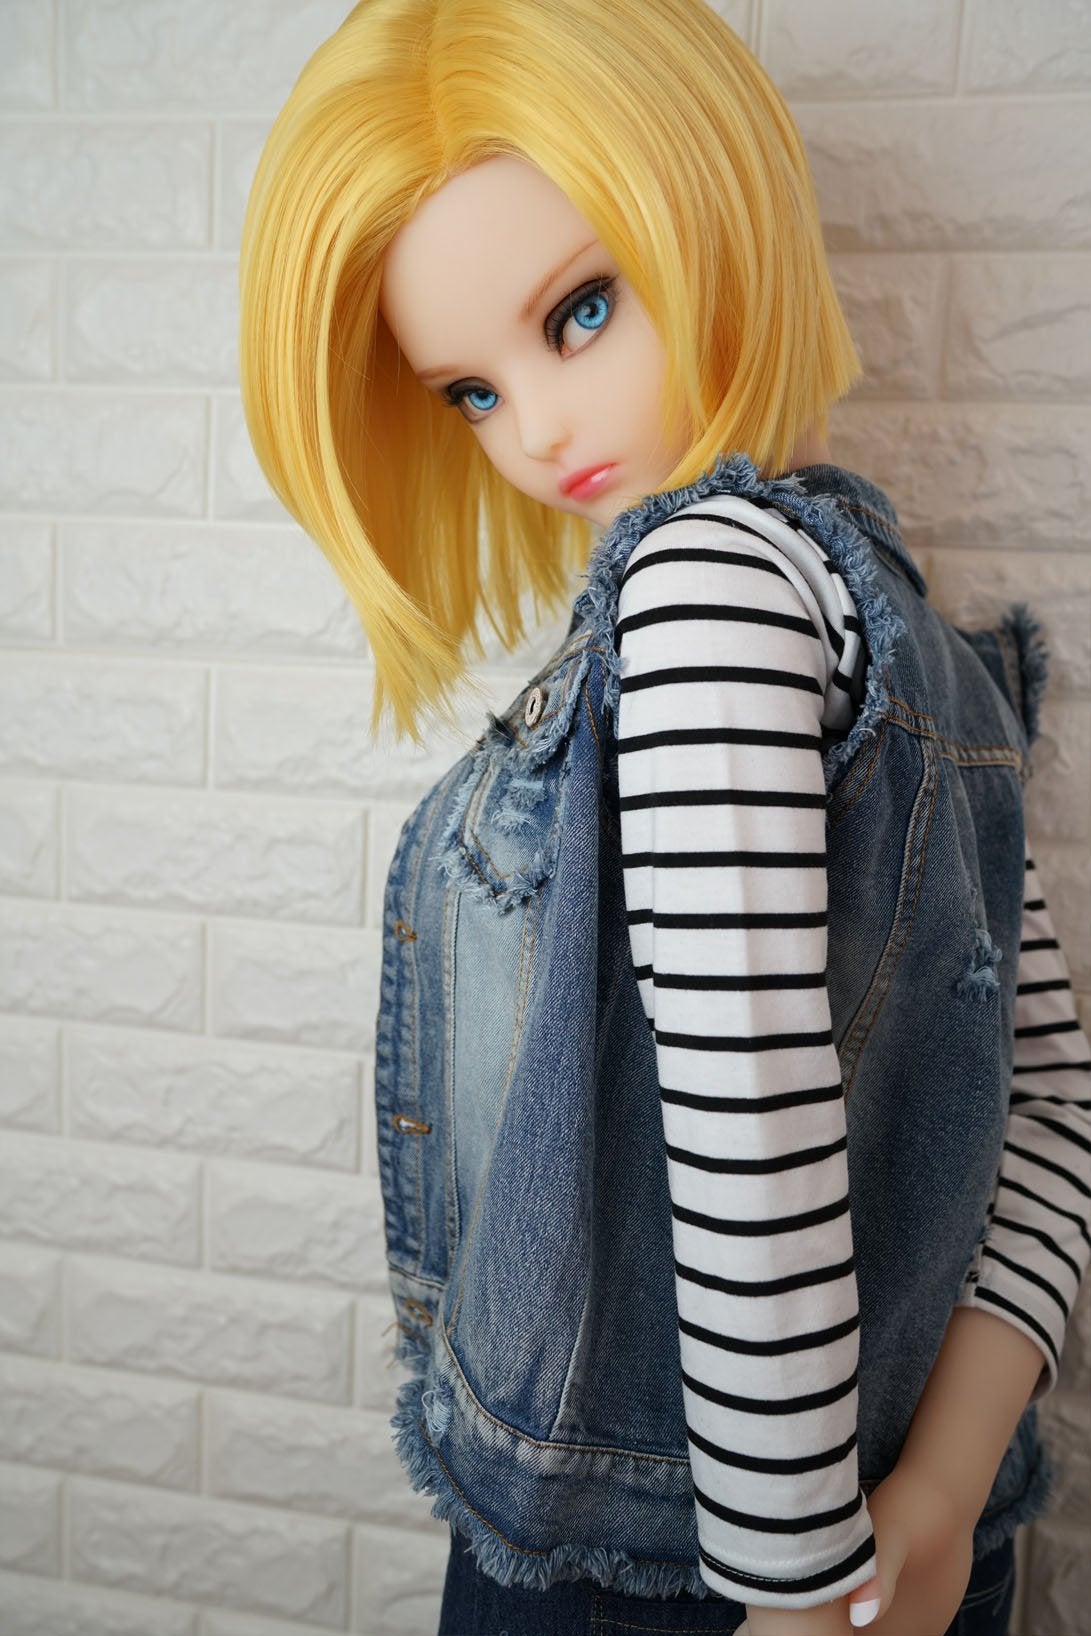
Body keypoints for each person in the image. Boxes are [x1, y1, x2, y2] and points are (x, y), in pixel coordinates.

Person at [236, 3, 1091, 1632]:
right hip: (924, 1555)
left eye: (580, 311)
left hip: (679, 1575)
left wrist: (797, 1585)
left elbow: (748, 1118)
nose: (539, 430)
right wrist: (936, 1494)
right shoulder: (941, 661)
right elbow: (1053, 1108)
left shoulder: (703, 589)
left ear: (715, 201)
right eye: (470, 394)